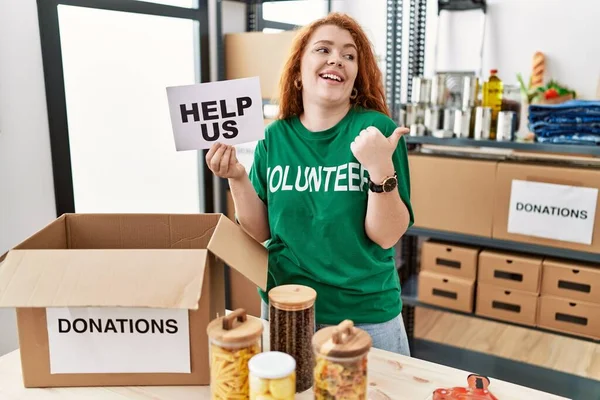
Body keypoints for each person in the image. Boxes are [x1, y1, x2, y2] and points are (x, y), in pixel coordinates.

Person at [205, 12, 414, 356]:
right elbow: (258, 232)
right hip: (286, 307)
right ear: (299, 70)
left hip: (364, 318)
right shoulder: (275, 137)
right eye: (324, 49)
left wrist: (379, 169)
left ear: (356, 77)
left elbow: (387, 235)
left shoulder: (377, 130)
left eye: (349, 55)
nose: (337, 59)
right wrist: (237, 177)